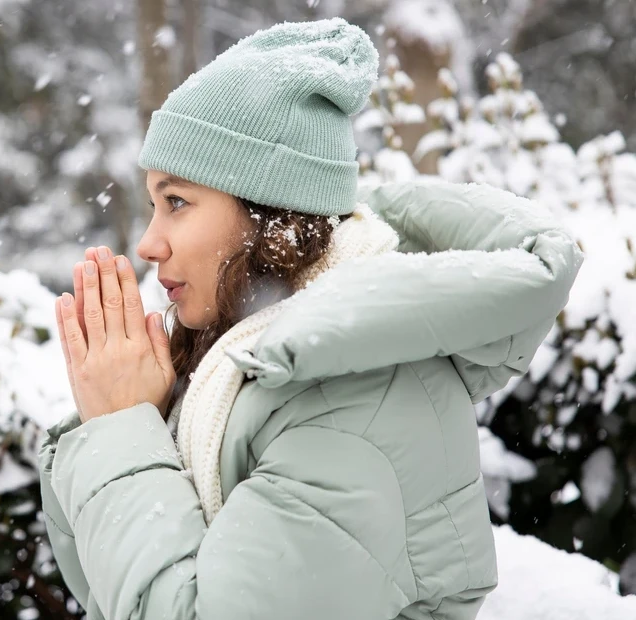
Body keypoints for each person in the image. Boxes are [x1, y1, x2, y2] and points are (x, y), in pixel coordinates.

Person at [38, 18, 583, 620]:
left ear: (269, 214)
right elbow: (111, 587)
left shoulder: (350, 404)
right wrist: (133, 419)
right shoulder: (245, 365)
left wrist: (121, 430)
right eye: (152, 205)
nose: (148, 243)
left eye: (177, 202)